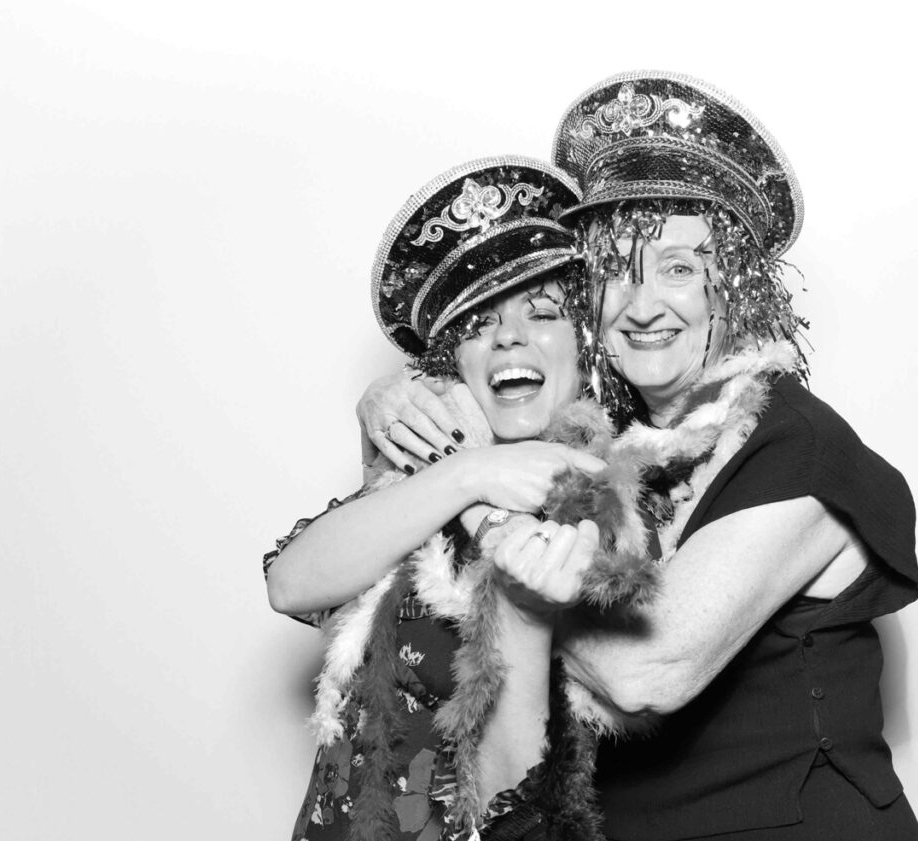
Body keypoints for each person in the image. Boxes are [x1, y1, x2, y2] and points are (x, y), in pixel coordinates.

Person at [356, 72, 918, 840]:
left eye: (679, 269)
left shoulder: (800, 448)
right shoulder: (612, 446)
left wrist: (472, 495)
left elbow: (644, 675)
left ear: (739, 288)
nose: (643, 304)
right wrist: (397, 405)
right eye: (617, 272)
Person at [265, 156, 655, 841]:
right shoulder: (426, 481)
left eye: (542, 314)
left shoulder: (610, 497)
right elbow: (291, 583)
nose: (509, 336)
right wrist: (465, 472)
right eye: (478, 324)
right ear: (453, 364)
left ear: (585, 347)